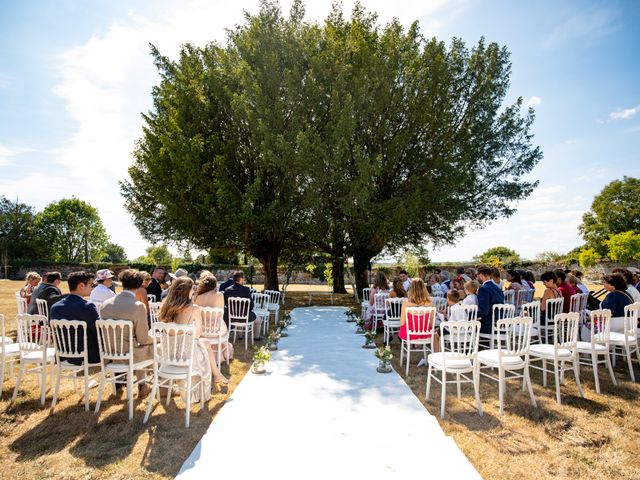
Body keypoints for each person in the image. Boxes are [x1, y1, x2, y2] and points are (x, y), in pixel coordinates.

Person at [157, 277, 221, 394]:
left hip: (167, 354)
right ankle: (214, 378)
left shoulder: (164, 306)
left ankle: (217, 375)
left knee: (205, 344)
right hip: (185, 356)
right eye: (193, 289)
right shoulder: (193, 308)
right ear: (187, 291)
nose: (194, 291)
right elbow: (198, 334)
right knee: (205, 346)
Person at [100, 269, 154, 397]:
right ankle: (143, 385)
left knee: (137, 344)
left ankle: (127, 384)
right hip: (130, 354)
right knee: (149, 345)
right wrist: (156, 339)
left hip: (110, 353)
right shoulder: (138, 306)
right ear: (139, 284)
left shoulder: (105, 305)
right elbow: (143, 339)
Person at [50, 271, 100, 365]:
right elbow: (98, 330)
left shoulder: (55, 307)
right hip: (87, 355)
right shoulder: (87, 306)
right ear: (81, 285)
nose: (92, 287)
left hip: (62, 353)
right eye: (91, 284)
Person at [193, 272, 233, 362]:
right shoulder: (219, 295)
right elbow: (221, 312)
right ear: (215, 285)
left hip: (201, 330)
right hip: (216, 330)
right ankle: (220, 354)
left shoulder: (197, 297)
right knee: (222, 324)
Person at [398, 278, 438, 359]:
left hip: (410, 334)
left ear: (411, 289)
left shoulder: (406, 304)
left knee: (404, 327)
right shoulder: (430, 304)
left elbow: (402, 323)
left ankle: (406, 351)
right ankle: (436, 359)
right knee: (436, 334)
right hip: (426, 334)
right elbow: (432, 323)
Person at [223, 270, 261, 340]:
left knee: (240, 315)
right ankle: (256, 337)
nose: (243, 280)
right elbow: (251, 305)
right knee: (258, 320)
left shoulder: (227, 290)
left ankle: (240, 335)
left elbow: (225, 304)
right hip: (244, 317)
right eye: (243, 278)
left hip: (230, 317)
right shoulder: (246, 290)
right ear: (240, 279)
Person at [477, 266, 505, 335]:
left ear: (481, 275)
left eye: (477, 275)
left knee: (469, 326)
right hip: (501, 324)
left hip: (489, 326)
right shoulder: (498, 288)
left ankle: (476, 345)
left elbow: (484, 311)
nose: (477, 278)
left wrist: (469, 314)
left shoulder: (483, 289)